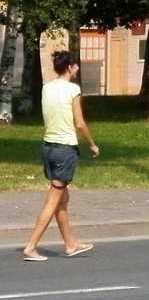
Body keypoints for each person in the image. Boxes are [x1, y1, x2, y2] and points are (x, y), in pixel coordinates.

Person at [22, 51, 100, 262]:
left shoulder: (47, 88)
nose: (78, 69)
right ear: (70, 67)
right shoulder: (73, 89)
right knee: (53, 200)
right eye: (76, 66)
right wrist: (92, 144)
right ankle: (31, 247)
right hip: (65, 150)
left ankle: (70, 244)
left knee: (62, 199)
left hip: (48, 148)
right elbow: (80, 123)